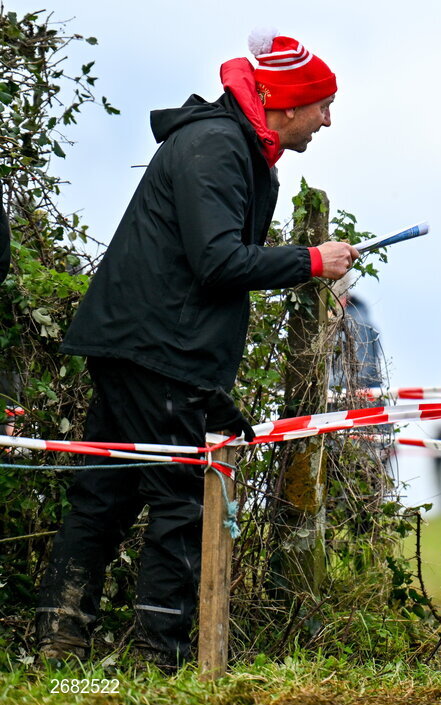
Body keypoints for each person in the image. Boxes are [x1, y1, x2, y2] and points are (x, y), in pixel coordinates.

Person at [35, 31, 359, 671]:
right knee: (180, 502)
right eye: (322, 103)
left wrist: (212, 392)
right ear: (287, 104)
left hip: (143, 344)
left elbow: (199, 274)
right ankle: (165, 662)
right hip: (157, 350)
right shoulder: (216, 146)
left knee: (105, 498)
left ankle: (59, 643)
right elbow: (216, 263)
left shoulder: (231, 145)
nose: (329, 118)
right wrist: (312, 261)